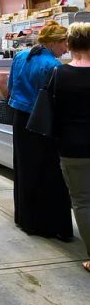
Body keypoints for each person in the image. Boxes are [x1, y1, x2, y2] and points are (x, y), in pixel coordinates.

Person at [7, 20, 72, 239]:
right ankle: (47, 225)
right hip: (42, 122)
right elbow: (56, 100)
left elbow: (11, 88)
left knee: (25, 168)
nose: (67, 49)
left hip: (20, 119)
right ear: (54, 42)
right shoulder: (53, 66)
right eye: (65, 44)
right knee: (49, 172)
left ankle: (26, 219)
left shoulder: (20, 56)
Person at [49, 22, 90, 273]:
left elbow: (52, 112)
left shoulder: (59, 74)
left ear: (70, 45)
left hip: (73, 146)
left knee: (83, 201)